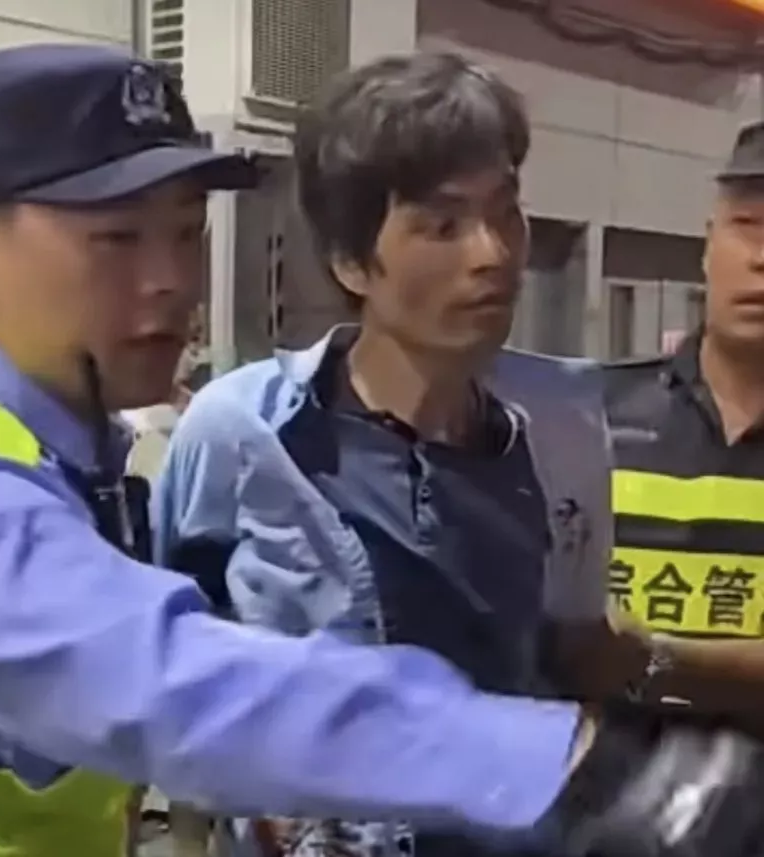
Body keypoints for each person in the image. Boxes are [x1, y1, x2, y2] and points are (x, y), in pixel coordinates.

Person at [0, 44, 762, 857]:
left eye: (184, 232)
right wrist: (574, 765)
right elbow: (183, 684)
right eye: (116, 239)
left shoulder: (57, 443)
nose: (169, 280)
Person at [150, 53, 764, 857]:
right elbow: (171, 686)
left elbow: (571, 658)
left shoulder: (565, 427)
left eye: (506, 213)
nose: (493, 253)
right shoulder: (244, 432)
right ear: (350, 260)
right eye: (442, 226)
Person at [603, 121, 764, 717]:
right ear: (707, 244)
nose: (762, 259)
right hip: (607, 771)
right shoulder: (589, 417)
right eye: (746, 226)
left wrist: (654, 658)